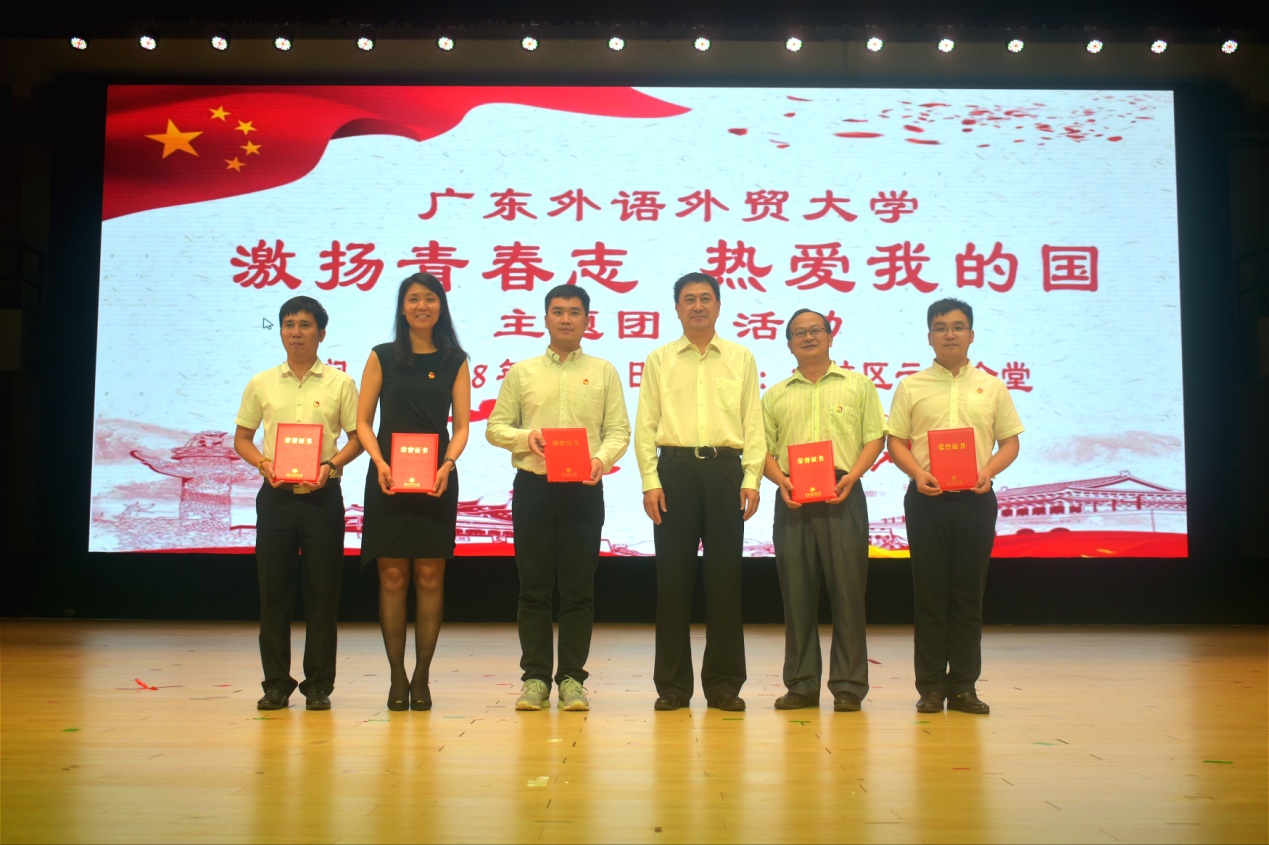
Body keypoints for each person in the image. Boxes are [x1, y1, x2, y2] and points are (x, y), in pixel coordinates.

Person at [486, 283, 631, 712]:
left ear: (587, 320)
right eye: (558, 311)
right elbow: (494, 427)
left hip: (583, 491)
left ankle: (572, 679)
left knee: (578, 590)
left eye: (574, 311)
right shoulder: (522, 372)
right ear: (545, 318)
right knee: (532, 589)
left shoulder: (604, 371)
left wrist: (601, 459)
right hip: (534, 489)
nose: (566, 318)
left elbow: (618, 430)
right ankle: (534, 679)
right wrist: (525, 437)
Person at [634, 272, 765, 712]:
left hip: (726, 470)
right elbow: (645, 425)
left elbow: (753, 423)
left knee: (725, 582)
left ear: (719, 306)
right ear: (676, 308)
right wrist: (650, 481)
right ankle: (672, 686)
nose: (697, 306)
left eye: (705, 298)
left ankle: (725, 685)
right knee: (673, 582)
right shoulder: (659, 359)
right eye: (688, 299)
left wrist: (751, 478)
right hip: (674, 471)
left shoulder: (741, 357)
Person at [886, 298, 1023, 715]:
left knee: (968, 595)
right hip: (926, 498)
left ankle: (963, 686)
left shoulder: (992, 386)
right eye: (941, 327)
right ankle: (930, 687)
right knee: (929, 595)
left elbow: (1010, 442)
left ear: (971, 335)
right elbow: (896, 442)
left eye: (958, 326)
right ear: (929, 336)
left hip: (976, 499)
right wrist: (917, 473)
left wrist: (988, 471)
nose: (950, 334)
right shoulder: (911, 386)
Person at [233, 296, 362, 711]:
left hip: (323, 498)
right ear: (281, 332)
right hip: (276, 499)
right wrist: (263, 463)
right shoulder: (262, 383)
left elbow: (358, 438)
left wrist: (331, 465)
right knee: (273, 593)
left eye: (305, 325)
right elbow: (242, 438)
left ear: (321, 333)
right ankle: (275, 684)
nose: (296, 332)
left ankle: (318, 685)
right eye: (289, 325)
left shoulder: (340, 383)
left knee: (323, 593)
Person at [761, 309, 886, 713]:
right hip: (793, 496)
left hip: (842, 492)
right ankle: (801, 684)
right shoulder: (775, 394)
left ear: (831, 337)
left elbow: (875, 437)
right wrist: (780, 481)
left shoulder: (858, 385)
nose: (808, 337)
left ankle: (849, 685)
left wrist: (854, 476)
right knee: (796, 595)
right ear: (789, 344)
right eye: (799, 333)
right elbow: (761, 448)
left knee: (848, 593)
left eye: (816, 330)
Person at [356, 273, 471, 712]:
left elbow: (461, 428)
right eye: (413, 299)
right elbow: (363, 421)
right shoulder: (382, 356)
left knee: (429, 576)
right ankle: (396, 676)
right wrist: (380, 462)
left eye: (430, 299)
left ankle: (421, 676)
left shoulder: (455, 360)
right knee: (391, 578)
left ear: (441, 306)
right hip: (387, 477)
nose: (422, 306)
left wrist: (447, 464)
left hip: (436, 478)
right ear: (402, 307)